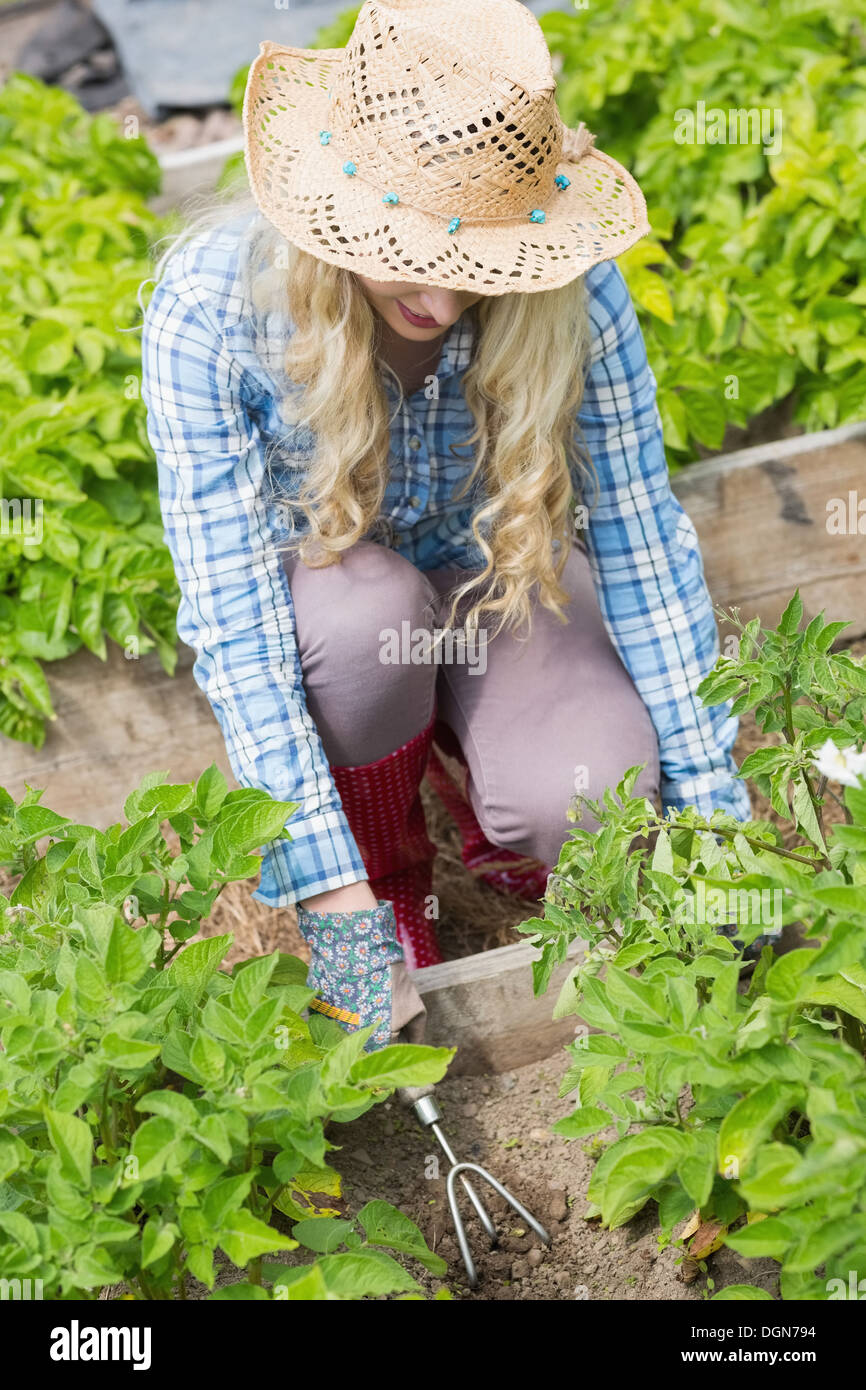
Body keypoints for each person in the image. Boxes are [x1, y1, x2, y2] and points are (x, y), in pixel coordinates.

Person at [141, 0, 750, 1049]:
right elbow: (238, 629)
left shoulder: (573, 292)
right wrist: (334, 918)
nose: (439, 290)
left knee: (587, 783)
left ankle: (500, 810)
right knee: (358, 616)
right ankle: (384, 877)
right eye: (406, 248)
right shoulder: (212, 305)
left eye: (474, 258)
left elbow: (643, 548)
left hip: (492, 575)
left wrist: (717, 833)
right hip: (341, 604)